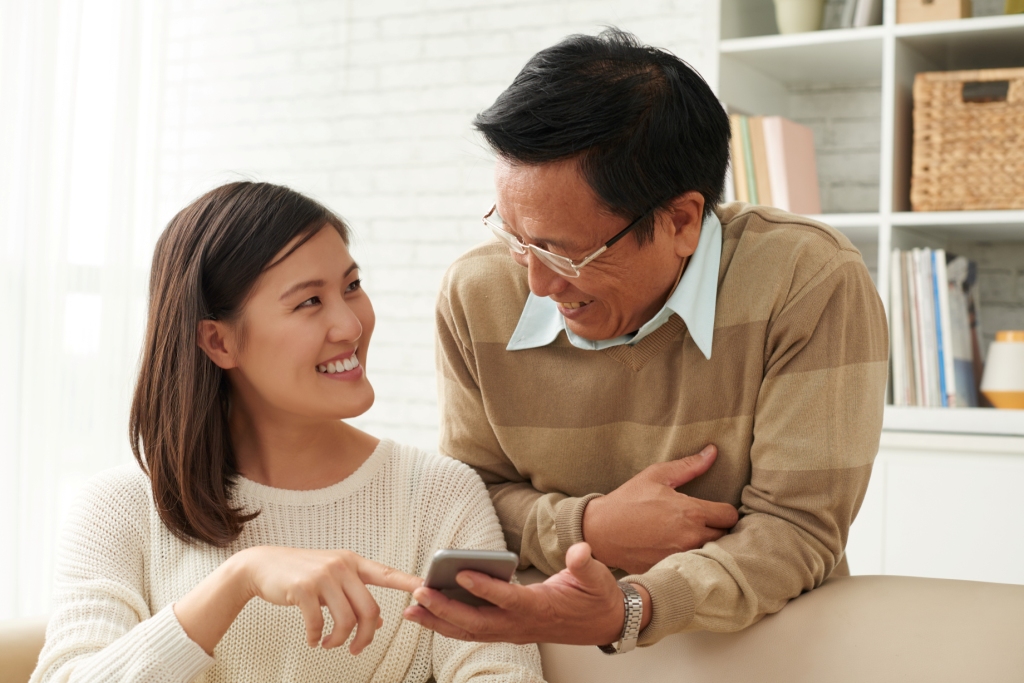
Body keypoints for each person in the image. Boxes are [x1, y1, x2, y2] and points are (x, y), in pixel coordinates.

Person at [404, 29, 888, 652]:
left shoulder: (806, 280)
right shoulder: (477, 293)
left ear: (682, 220)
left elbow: (797, 529)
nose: (537, 281)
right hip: (543, 652)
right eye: (516, 238)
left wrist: (631, 608)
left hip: (761, 652)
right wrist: (592, 527)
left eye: (565, 251)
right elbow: (470, 500)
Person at [31, 182, 544, 682]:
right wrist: (238, 579)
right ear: (219, 341)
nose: (351, 325)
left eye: (351, 286)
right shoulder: (120, 507)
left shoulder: (440, 495)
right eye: (309, 302)